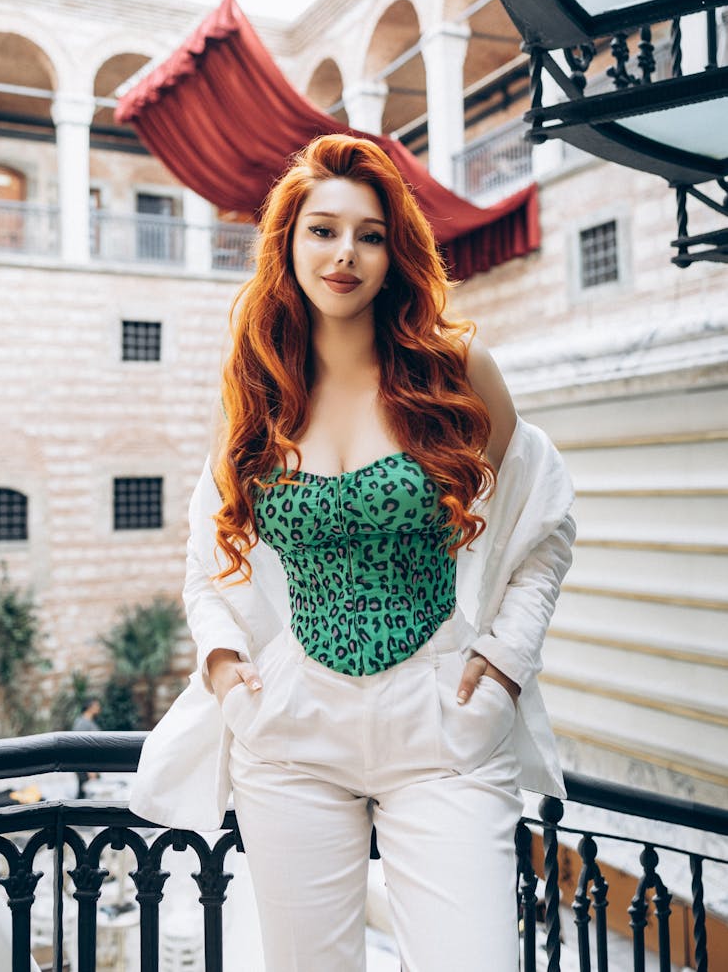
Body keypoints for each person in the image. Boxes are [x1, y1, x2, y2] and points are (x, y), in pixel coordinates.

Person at [130, 134, 576, 972]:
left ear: (395, 249)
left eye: (370, 234)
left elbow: (543, 526)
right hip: (292, 729)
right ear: (287, 243)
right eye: (323, 230)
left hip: (441, 723)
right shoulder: (259, 387)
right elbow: (205, 556)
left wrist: (507, 659)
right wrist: (226, 667)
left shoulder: (456, 371)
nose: (346, 254)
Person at [72, 696, 101, 798]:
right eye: (97, 705)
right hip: (85, 766)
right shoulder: (82, 723)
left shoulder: (89, 722)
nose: (99, 708)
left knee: (85, 793)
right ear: (90, 707)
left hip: (90, 765)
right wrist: (90, 769)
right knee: (85, 794)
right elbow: (82, 747)